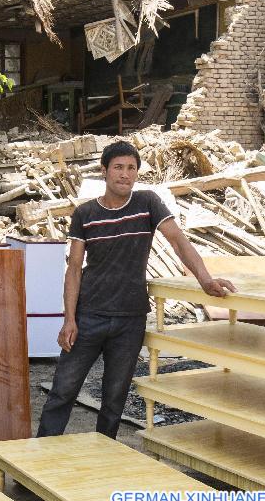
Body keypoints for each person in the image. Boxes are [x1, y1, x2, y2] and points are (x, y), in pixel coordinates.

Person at [37, 141, 236, 439]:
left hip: (129, 320)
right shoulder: (86, 214)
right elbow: (74, 269)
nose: (125, 174)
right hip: (89, 316)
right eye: (118, 167)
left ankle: (103, 458)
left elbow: (178, 241)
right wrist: (70, 319)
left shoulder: (148, 203)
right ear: (104, 171)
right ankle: (39, 460)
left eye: (132, 168)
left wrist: (205, 280)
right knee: (63, 391)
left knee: (114, 400)